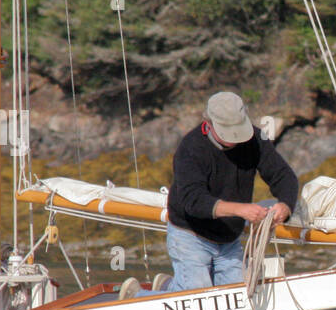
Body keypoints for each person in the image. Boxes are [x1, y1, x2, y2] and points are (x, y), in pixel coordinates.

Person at [119, 91, 299, 298]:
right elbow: (193, 200)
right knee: (197, 296)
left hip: (228, 237)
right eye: (227, 131)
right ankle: (136, 295)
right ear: (209, 123)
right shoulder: (191, 147)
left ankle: (171, 284)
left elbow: (283, 175)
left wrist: (285, 206)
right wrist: (240, 210)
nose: (234, 139)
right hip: (190, 233)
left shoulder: (256, 140)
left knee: (239, 296)